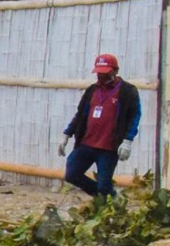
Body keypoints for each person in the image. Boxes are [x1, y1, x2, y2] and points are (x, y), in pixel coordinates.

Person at [59, 52, 140, 199]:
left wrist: (127, 140)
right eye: (99, 73)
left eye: (105, 73)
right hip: (87, 144)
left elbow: (134, 116)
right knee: (72, 174)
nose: (101, 76)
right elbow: (80, 115)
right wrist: (67, 134)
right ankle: (107, 198)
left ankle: (107, 200)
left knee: (104, 185)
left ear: (115, 71)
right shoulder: (92, 90)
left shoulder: (128, 91)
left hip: (108, 148)